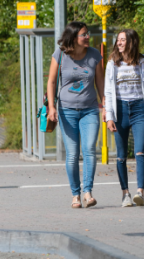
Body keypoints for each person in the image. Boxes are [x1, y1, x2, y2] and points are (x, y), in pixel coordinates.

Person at [46, 22, 104, 209]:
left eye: (87, 34)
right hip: (67, 111)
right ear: (73, 38)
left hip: (90, 110)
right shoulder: (60, 55)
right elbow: (52, 82)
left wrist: (104, 105)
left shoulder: (95, 55)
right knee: (72, 154)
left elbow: (100, 81)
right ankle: (75, 195)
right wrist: (52, 107)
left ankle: (88, 192)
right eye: (83, 35)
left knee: (89, 149)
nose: (87, 37)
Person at [104, 29, 144, 207]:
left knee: (139, 151)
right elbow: (108, 91)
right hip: (120, 110)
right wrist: (109, 116)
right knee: (121, 156)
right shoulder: (112, 63)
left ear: (131, 42)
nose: (119, 43)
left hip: (139, 109)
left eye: (123, 40)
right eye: (118, 40)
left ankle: (140, 192)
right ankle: (125, 193)